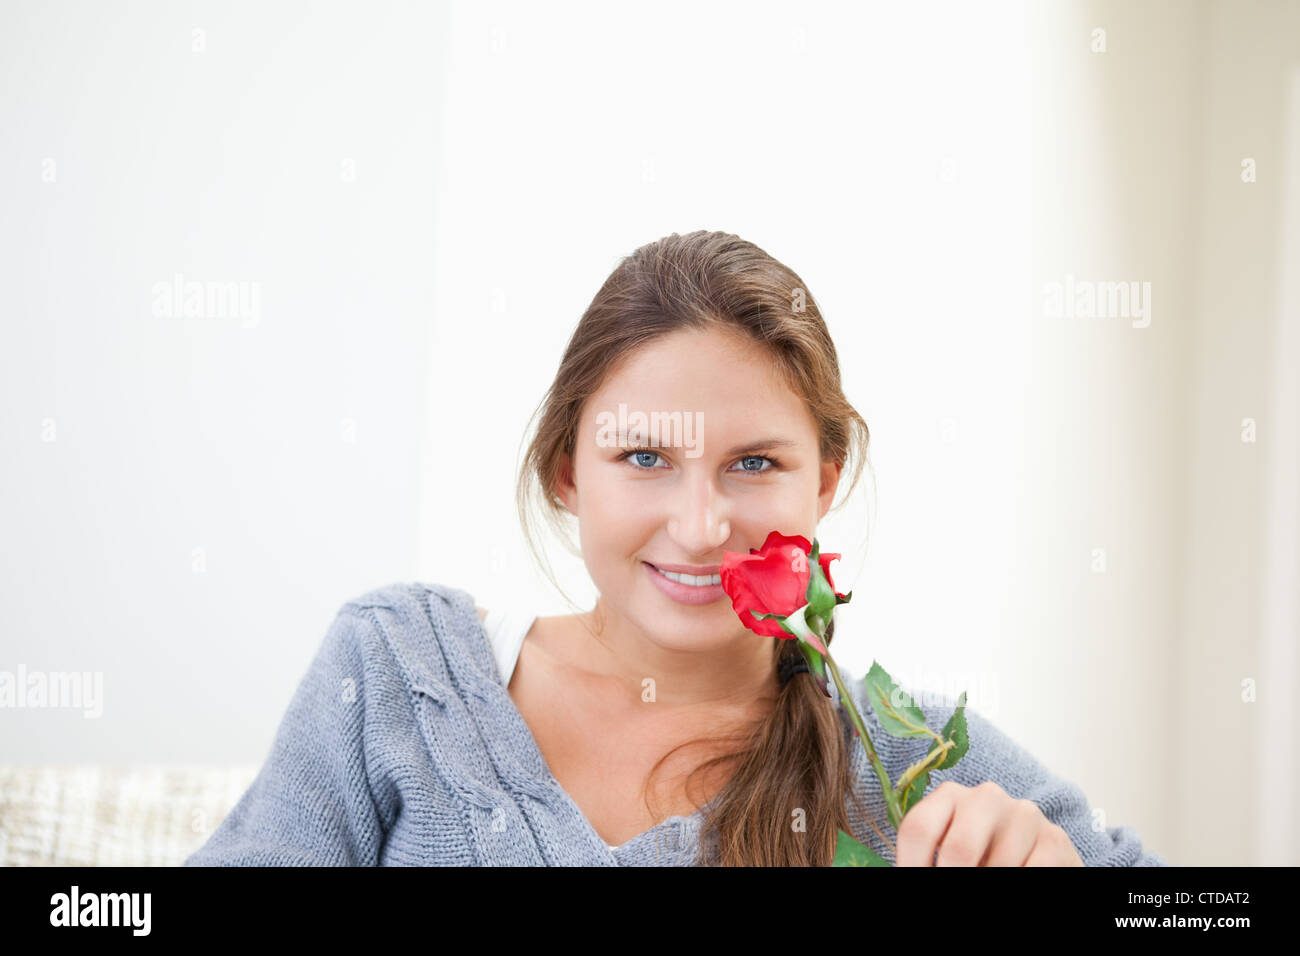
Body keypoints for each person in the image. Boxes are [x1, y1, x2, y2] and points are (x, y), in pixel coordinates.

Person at [185, 230, 1168, 866]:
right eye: (645, 455)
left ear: (824, 483)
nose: (700, 525)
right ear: (568, 468)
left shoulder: (909, 755)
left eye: (753, 462)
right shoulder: (398, 666)